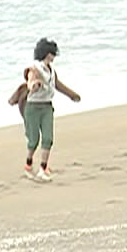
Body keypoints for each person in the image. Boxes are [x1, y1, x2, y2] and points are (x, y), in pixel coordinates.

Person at [23, 38, 80, 181]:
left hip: (47, 106)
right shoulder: (35, 68)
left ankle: (43, 168)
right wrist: (34, 85)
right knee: (33, 140)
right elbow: (30, 82)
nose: (54, 56)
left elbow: (57, 85)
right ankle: (28, 164)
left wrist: (72, 95)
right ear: (46, 53)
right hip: (33, 107)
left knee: (48, 138)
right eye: (52, 53)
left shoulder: (51, 70)